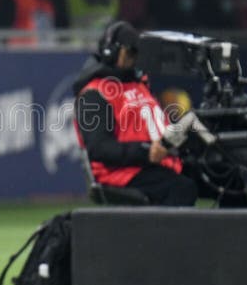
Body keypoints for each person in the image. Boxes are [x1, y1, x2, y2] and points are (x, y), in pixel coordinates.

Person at [72, 21, 198, 206]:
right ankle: (169, 235)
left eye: (137, 53)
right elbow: (100, 148)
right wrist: (145, 151)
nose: (135, 59)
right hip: (122, 171)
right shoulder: (94, 94)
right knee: (182, 188)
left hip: (158, 162)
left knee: (222, 176)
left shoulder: (139, 84)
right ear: (112, 52)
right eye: (130, 52)